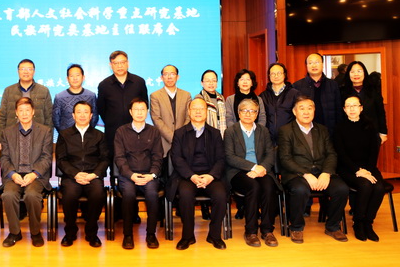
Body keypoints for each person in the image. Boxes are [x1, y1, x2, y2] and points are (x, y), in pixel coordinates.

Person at [278, 96, 349, 244]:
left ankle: (333, 226)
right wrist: (305, 174)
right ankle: (296, 227)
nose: (306, 112)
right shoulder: (286, 130)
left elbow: (331, 154)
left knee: (341, 189)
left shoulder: (322, 129)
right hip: (296, 174)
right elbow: (285, 158)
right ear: (294, 111)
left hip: (321, 171)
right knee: (300, 190)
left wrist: (326, 173)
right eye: (302, 108)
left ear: (314, 111)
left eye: (310, 108)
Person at [167, 98, 228, 250]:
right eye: (194, 108)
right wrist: (192, 176)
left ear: (206, 112)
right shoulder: (180, 133)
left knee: (221, 195)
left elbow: (221, 159)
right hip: (187, 176)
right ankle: (188, 236)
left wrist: (210, 176)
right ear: (189, 112)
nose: (198, 111)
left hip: (210, 176)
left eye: (201, 108)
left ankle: (214, 235)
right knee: (186, 195)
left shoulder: (214, 133)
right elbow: (177, 158)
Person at [224, 99, 280, 247]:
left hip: (261, 170)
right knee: (253, 187)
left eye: (252, 111)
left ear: (257, 114)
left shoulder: (263, 130)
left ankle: (267, 230)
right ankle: (251, 231)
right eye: (244, 110)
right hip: (238, 171)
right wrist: (253, 167)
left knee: (269, 187)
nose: (248, 114)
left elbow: (270, 154)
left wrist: (262, 168)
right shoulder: (230, 131)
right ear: (239, 113)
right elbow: (230, 157)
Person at [0, 97, 53, 248]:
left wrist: (34, 174)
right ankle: (15, 232)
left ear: (33, 112)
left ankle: (35, 232)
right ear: (16, 113)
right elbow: (4, 158)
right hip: (14, 175)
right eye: (21, 110)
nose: (24, 114)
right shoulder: (7, 132)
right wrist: (13, 174)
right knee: (8, 195)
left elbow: (46, 157)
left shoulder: (45, 131)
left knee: (32, 195)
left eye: (27, 110)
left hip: (36, 176)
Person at [56, 101, 109, 248]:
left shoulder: (99, 135)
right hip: (72, 176)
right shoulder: (64, 135)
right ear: (73, 115)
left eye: (86, 112)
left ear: (91, 115)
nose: (82, 115)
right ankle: (70, 232)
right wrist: (75, 174)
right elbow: (61, 159)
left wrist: (94, 174)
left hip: (92, 176)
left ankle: (92, 233)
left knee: (98, 194)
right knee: (69, 195)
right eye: (79, 112)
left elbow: (105, 159)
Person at [334, 95, 385, 242]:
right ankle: (358, 222)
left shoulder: (370, 126)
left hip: (368, 167)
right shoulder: (339, 128)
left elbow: (374, 151)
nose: (352, 109)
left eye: (355, 105)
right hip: (348, 168)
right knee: (365, 185)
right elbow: (341, 154)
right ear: (344, 109)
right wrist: (358, 170)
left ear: (361, 108)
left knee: (379, 187)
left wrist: (367, 170)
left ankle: (368, 223)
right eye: (348, 106)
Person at [115, 98, 163, 250]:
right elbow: (119, 158)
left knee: (152, 194)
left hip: (149, 175)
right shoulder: (121, 131)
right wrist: (131, 175)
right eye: (136, 109)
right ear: (130, 112)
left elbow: (158, 156)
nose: (139, 112)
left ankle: (151, 234)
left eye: (143, 109)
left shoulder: (154, 131)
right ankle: (128, 235)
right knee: (128, 194)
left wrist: (152, 175)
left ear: (147, 112)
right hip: (128, 176)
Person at [97, 50, 148, 157]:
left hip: (137, 131)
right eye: (116, 63)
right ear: (111, 65)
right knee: (115, 159)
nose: (119, 66)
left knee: (138, 160)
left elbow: (145, 104)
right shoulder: (104, 85)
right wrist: (113, 120)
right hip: (113, 132)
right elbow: (101, 109)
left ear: (127, 63)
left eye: (122, 62)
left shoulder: (139, 82)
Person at [0, 59, 53, 136]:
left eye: (29, 69)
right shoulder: (8, 91)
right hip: (12, 136)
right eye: (22, 69)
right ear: (18, 71)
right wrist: (1, 138)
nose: (26, 72)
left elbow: (49, 118)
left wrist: (48, 138)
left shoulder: (44, 90)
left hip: (38, 136)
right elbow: (2, 117)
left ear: (34, 72)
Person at [293, 53, 343, 137]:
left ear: (322, 64)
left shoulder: (333, 85)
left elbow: (338, 110)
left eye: (317, 62)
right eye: (310, 63)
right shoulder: (297, 86)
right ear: (306, 66)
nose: (314, 65)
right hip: (306, 131)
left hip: (330, 130)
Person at [340, 60, 387, 144]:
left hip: (371, 133)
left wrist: (383, 132)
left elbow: (380, 113)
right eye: (352, 72)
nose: (356, 74)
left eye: (359, 71)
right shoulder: (342, 92)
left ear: (364, 73)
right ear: (348, 74)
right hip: (349, 133)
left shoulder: (374, 91)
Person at [150, 64, 191, 157]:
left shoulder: (186, 95)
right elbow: (156, 119)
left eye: (172, 74)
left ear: (177, 77)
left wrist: (181, 136)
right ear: (161, 77)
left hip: (184, 141)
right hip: (164, 142)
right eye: (166, 74)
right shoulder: (155, 96)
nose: (169, 77)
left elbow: (189, 117)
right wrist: (174, 138)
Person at [259, 63, 300, 146]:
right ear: (269, 76)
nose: (276, 76)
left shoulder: (295, 94)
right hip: (268, 140)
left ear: (284, 75)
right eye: (273, 74)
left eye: (279, 73)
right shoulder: (263, 96)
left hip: (289, 139)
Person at [52, 64, 99, 134]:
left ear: (83, 77)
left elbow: (94, 117)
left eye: (77, 75)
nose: (75, 78)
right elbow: (56, 119)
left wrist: (87, 132)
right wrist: (64, 134)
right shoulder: (59, 97)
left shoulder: (91, 95)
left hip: (87, 136)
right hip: (66, 136)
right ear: (67, 79)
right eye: (71, 76)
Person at [195, 69, 227, 137]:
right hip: (205, 135)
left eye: (214, 80)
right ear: (202, 83)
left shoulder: (221, 98)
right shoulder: (199, 98)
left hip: (221, 133)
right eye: (208, 81)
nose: (211, 83)